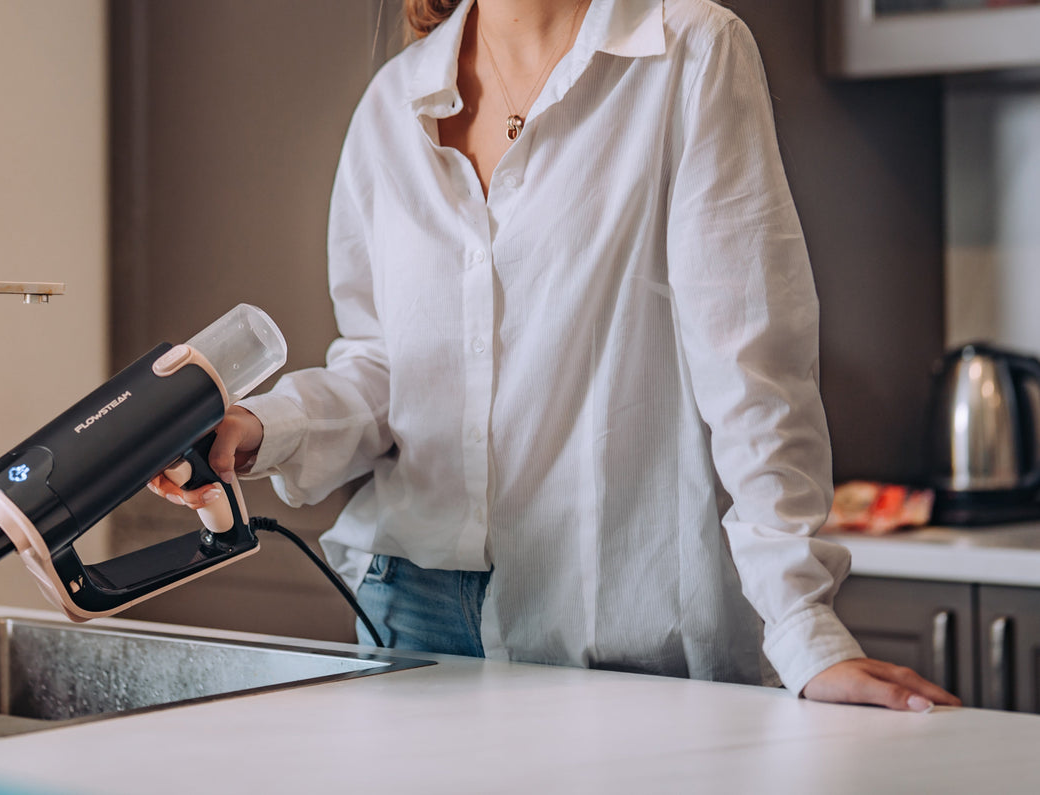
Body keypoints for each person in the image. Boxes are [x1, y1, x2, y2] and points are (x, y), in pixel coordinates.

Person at [151, 0, 959, 711]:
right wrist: (260, 427)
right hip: (407, 611)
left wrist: (805, 633)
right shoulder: (391, 107)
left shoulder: (689, 53)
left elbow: (752, 368)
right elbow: (384, 367)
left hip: (619, 621)